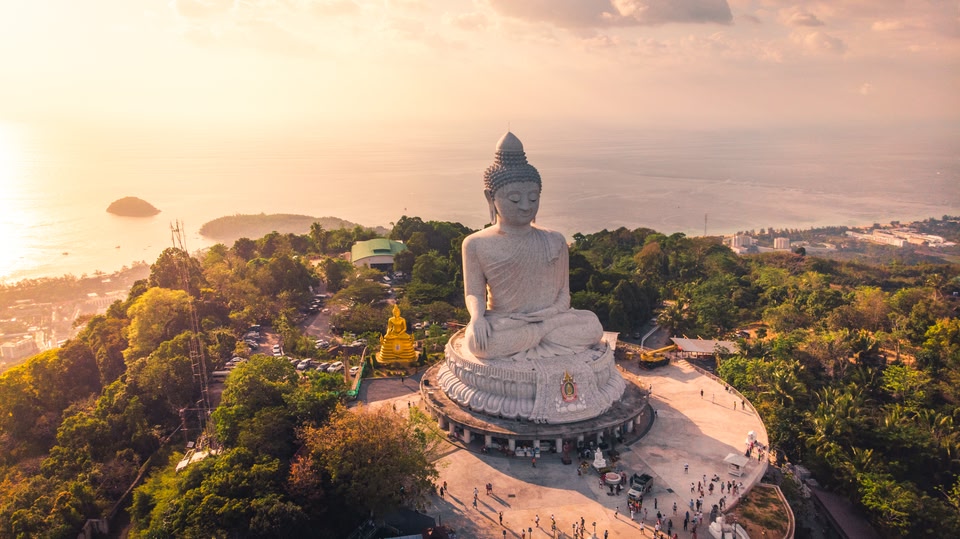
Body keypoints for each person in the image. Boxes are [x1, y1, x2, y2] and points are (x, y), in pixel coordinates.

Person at [461, 132, 603, 360]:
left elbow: (564, 296)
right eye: (515, 199)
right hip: (506, 322)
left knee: (592, 325)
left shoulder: (555, 239)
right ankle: (538, 338)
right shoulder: (476, 243)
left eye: (534, 198)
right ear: (490, 198)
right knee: (479, 343)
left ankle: (536, 336)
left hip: (551, 319)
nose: (526, 206)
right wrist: (477, 318)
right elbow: (474, 292)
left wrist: (544, 319)